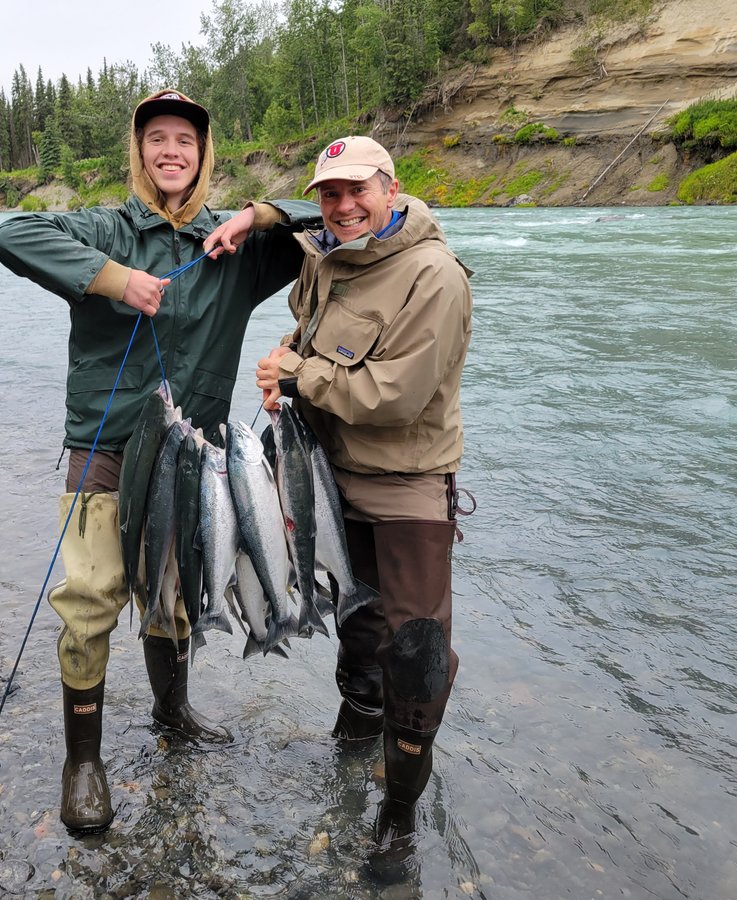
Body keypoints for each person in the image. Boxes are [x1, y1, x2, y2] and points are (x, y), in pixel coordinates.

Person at [0, 88, 321, 835]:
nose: (171, 152)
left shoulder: (231, 246)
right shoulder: (105, 227)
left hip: (191, 454)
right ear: (138, 150)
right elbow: (10, 236)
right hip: (102, 445)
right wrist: (114, 279)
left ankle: (173, 713)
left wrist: (256, 214)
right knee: (94, 594)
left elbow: (332, 222)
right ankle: (84, 761)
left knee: (175, 590)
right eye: (157, 139)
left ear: (205, 155)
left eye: (186, 141)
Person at [252, 136, 474, 883]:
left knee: (416, 654)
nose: (343, 205)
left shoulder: (433, 275)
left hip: (407, 484)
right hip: (327, 473)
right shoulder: (324, 259)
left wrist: (298, 372)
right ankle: (354, 737)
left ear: (392, 188)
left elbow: (393, 396)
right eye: (329, 193)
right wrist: (285, 358)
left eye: (358, 190)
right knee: (355, 619)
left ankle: (398, 819)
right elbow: (313, 340)